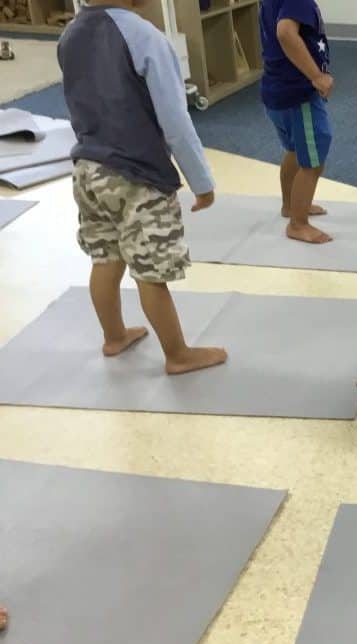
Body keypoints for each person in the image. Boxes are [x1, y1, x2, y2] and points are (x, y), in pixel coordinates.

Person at [58, 0, 227, 375]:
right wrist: (201, 182)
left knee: (106, 257)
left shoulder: (70, 34)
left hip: (87, 169)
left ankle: (114, 336)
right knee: (151, 271)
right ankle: (178, 355)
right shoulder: (144, 36)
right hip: (137, 175)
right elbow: (175, 119)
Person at [259, 0, 335, 244]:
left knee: (294, 149)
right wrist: (317, 76)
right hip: (298, 94)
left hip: (277, 89)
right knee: (313, 161)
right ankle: (298, 224)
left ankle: (290, 206)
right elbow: (285, 32)